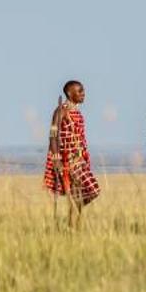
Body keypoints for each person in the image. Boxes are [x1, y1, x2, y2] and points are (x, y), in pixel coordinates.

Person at [42, 79, 101, 227]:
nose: (83, 94)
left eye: (83, 91)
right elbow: (53, 136)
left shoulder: (77, 112)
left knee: (87, 192)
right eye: (79, 91)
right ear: (69, 93)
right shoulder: (61, 111)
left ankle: (73, 224)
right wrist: (56, 159)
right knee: (90, 190)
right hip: (68, 161)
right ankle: (72, 222)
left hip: (80, 159)